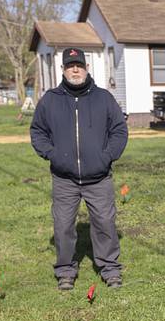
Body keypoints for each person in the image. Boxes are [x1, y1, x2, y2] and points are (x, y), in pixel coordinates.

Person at [30, 48, 128, 291]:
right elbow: (38, 132)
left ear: (86, 68)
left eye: (79, 65)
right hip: (64, 179)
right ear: (63, 69)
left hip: (99, 177)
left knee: (104, 222)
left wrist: (107, 157)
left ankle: (110, 269)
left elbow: (119, 131)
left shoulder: (103, 98)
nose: (75, 69)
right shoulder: (50, 99)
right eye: (70, 65)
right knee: (63, 225)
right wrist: (53, 155)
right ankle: (65, 271)